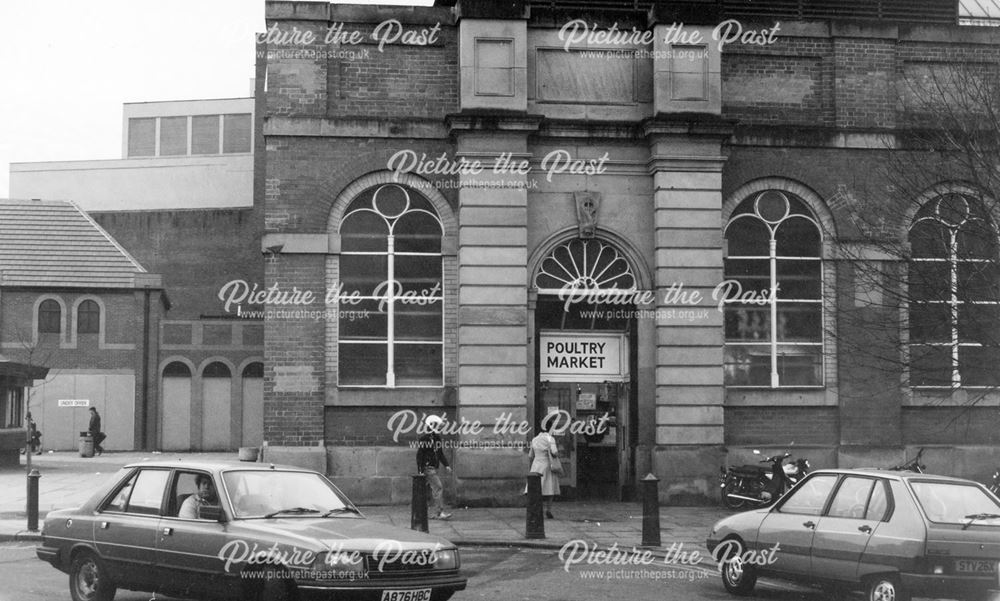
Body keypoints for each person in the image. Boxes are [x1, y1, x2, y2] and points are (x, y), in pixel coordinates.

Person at [416, 414, 452, 520]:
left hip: (433, 468)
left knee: (427, 491)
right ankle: (439, 513)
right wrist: (420, 470)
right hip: (428, 468)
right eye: (438, 427)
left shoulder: (437, 438)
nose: (440, 429)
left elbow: (440, 453)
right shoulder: (424, 439)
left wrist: (446, 465)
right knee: (438, 487)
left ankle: (424, 513)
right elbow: (420, 455)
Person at [529, 419, 561, 519]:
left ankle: (537, 509)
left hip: (536, 465)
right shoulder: (550, 439)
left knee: (537, 489)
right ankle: (548, 509)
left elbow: (530, 455)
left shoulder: (534, 439)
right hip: (547, 464)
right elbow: (555, 452)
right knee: (550, 488)